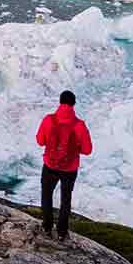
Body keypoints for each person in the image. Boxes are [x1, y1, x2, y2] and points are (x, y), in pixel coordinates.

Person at [35, 89, 92, 240]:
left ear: (60, 102)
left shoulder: (48, 120)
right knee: (65, 199)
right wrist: (74, 149)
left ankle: (47, 227)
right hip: (69, 168)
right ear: (74, 104)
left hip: (50, 165)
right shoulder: (79, 126)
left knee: (46, 195)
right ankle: (61, 232)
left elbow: (40, 141)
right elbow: (87, 150)